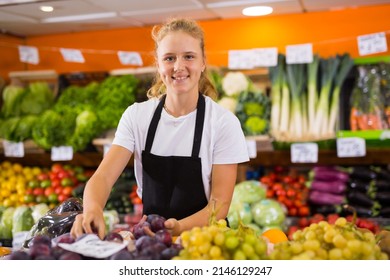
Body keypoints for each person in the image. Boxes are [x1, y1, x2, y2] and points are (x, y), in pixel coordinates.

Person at [70, 17, 249, 239]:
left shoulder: (222, 122)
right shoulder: (137, 116)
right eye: (169, 58)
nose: (178, 66)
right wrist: (93, 209)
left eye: (189, 57)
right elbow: (104, 177)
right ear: (158, 64)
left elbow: (219, 204)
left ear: (203, 62)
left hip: (205, 242)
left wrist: (178, 228)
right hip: (151, 239)